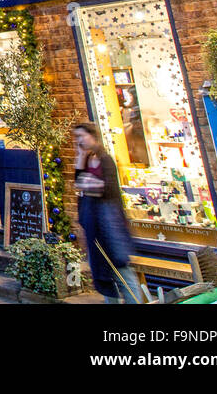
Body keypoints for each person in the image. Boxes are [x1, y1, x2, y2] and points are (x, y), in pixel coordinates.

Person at [73, 122, 141, 304]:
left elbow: (109, 190)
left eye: (81, 136)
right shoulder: (87, 160)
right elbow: (78, 184)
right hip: (93, 223)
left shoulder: (106, 160)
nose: (79, 141)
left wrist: (89, 186)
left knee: (121, 268)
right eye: (76, 137)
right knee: (102, 271)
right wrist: (81, 157)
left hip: (110, 223)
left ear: (92, 136)